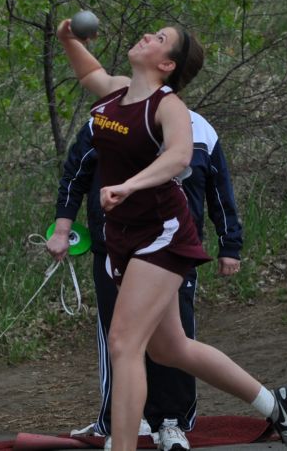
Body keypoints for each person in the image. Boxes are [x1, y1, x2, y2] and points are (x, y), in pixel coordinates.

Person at [54, 18, 287, 451]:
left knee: (124, 341)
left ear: (167, 64)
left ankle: (124, 444)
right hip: (122, 237)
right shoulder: (117, 91)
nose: (147, 35)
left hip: (162, 234)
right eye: (151, 32)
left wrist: (130, 184)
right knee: (171, 348)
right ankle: (276, 407)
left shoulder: (168, 107)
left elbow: (178, 157)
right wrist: (67, 38)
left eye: (159, 38)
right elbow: (88, 74)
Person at [47, 107, 243, 451]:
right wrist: (62, 229)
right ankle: (120, 424)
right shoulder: (104, 122)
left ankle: (171, 422)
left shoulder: (199, 130)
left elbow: (219, 189)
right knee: (119, 338)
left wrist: (231, 244)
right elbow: (74, 175)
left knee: (174, 339)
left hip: (173, 250)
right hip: (114, 248)